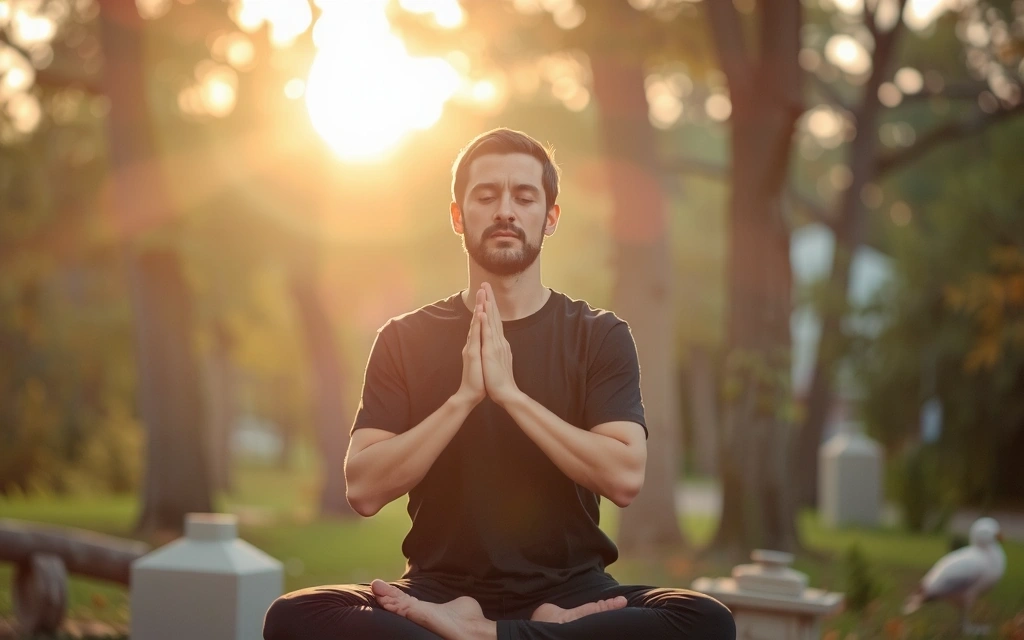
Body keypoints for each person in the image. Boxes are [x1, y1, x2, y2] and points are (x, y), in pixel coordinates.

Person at [263, 128, 735, 640]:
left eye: (524, 196)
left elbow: (623, 477)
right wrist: (464, 398)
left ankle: (482, 634)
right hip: (438, 590)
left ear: (550, 218)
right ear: (458, 216)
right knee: (295, 616)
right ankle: (530, 633)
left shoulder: (599, 335)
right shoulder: (404, 338)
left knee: (704, 621)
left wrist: (511, 395)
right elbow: (364, 488)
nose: (505, 210)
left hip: (573, 592)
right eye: (486, 196)